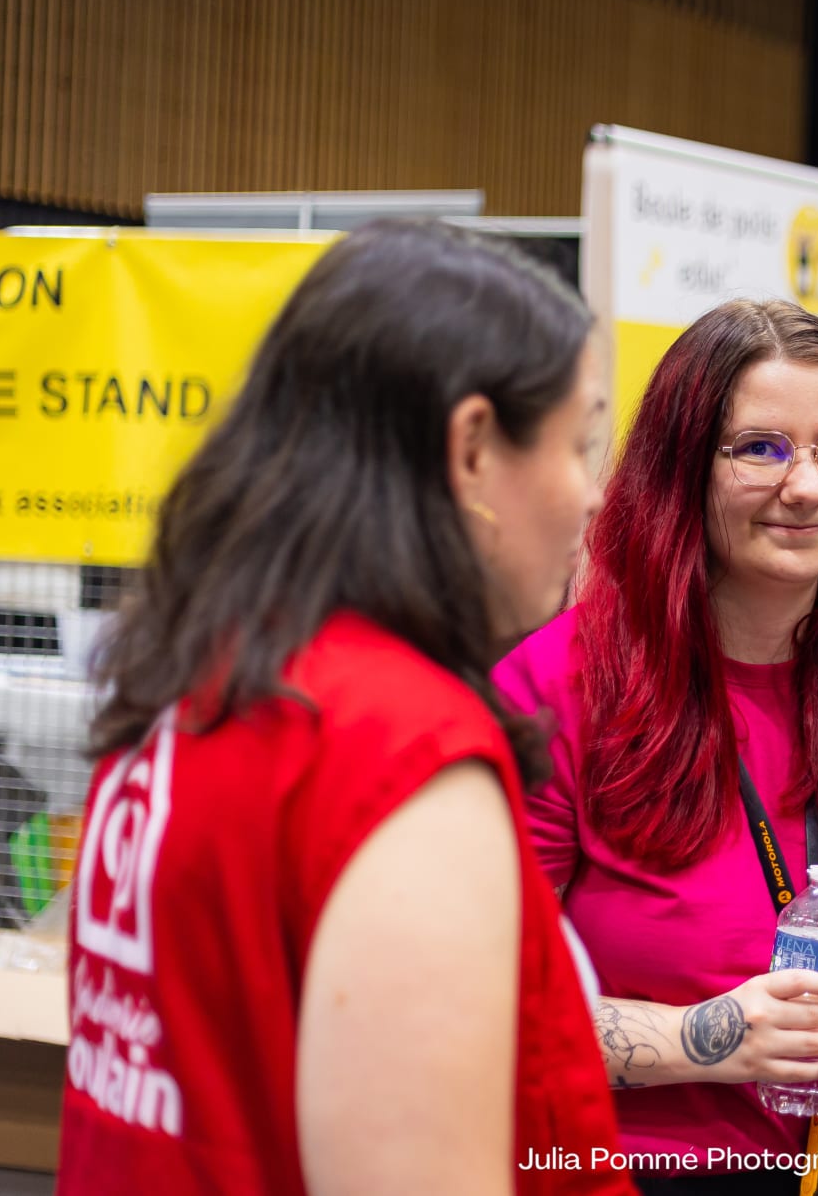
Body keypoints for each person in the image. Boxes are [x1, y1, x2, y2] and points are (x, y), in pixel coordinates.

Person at [58, 221, 628, 1195]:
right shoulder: (400, 753)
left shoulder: (202, 679)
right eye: (579, 443)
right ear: (473, 449)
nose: (590, 496)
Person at [494, 299, 818, 1194]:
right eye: (760, 448)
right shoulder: (559, 690)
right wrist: (706, 1039)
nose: (807, 486)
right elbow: (480, 1004)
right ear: (680, 470)